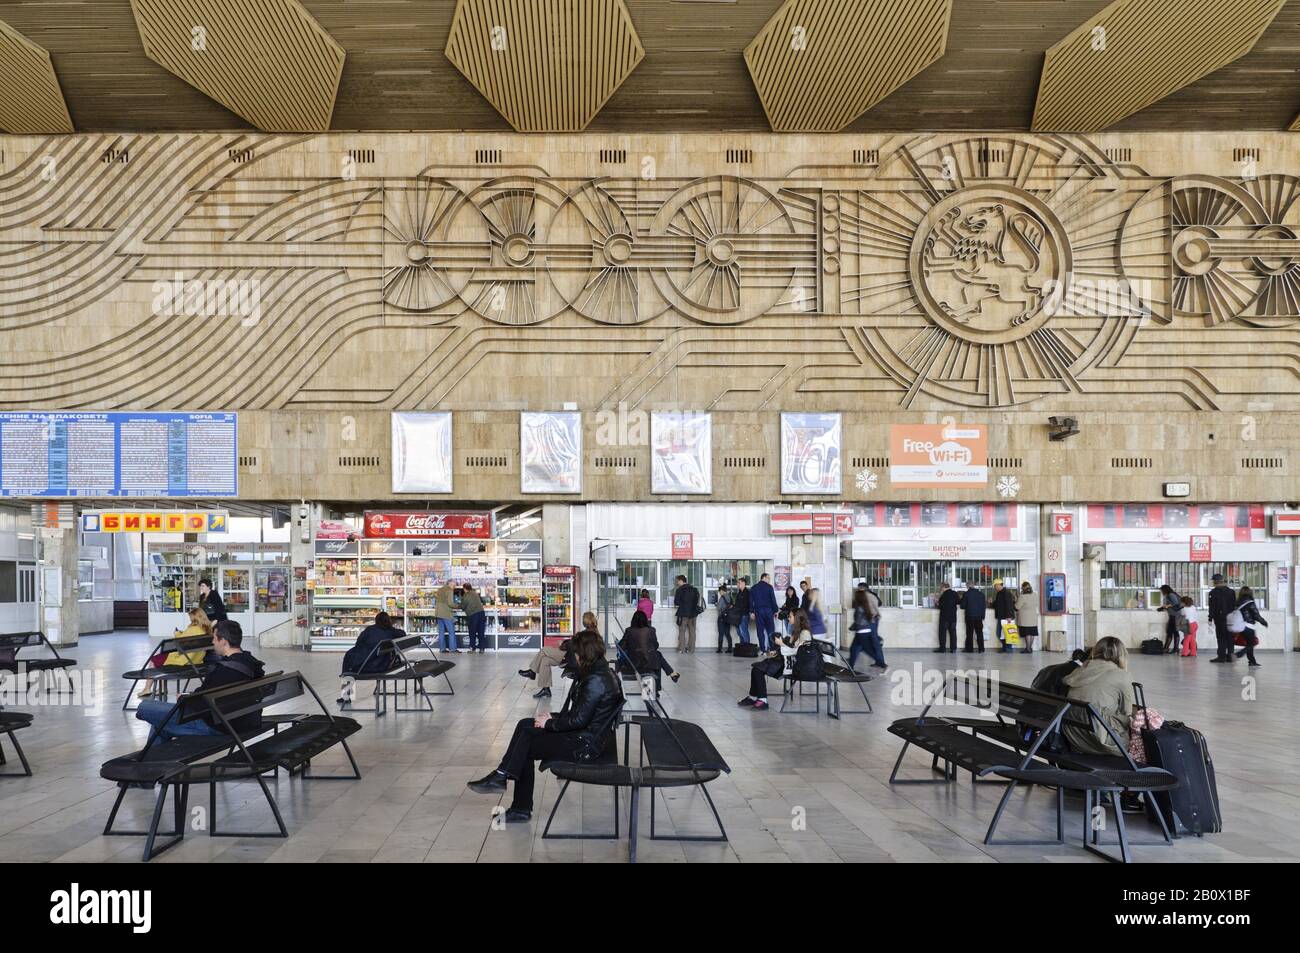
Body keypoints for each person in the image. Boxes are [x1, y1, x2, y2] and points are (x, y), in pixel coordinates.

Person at [467, 629, 623, 822]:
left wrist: (550, 723)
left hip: (584, 744)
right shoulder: (600, 672)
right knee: (525, 724)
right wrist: (552, 718)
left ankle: (517, 802)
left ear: (582, 654)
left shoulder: (595, 680)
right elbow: (582, 715)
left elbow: (578, 720)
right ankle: (501, 776)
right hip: (588, 735)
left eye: (573, 653)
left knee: (525, 747)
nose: (571, 657)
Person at [135, 620, 264, 743]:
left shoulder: (224, 670)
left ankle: (148, 762)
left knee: (145, 708)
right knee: (161, 723)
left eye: (214, 638)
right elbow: (208, 694)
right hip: (242, 720)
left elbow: (200, 703)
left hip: (217, 726)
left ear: (223, 641)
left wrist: (184, 699)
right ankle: (153, 762)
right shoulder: (251, 663)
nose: (213, 642)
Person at [1061, 637, 1134, 756]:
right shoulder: (1122, 676)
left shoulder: (1079, 671)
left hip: (1072, 736)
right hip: (1101, 741)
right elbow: (1127, 712)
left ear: (1095, 651)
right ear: (1122, 655)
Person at [738, 609, 813, 711]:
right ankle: (753, 697)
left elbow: (799, 652)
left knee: (758, 669)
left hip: (794, 665)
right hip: (786, 660)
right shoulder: (795, 631)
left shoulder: (805, 633)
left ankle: (763, 700)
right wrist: (777, 651)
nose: (788, 618)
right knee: (756, 668)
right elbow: (790, 647)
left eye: (790, 616)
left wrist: (781, 644)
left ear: (797, 618)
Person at [519, 611, 598, 699]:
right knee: (545, 660)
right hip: (572, 656)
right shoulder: (593, 633)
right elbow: (575, 644)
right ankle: (546, 689)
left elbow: (572, 645)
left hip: (570, 657)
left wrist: (562, 643)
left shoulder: (585, 634)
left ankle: (532, 672)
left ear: (584, 621)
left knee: (544, 650)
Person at [137, 607, 213, 698]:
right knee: (161, 659)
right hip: (197, 661)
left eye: (191, 618)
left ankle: (147, 688)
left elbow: (180, 641)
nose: (190, 620)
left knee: (155, 660)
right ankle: (161, 689)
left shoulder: (193, 629)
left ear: (195, 618)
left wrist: (176, 633)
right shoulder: (207, 630)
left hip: (185, 661)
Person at [339, 610, 403, 705]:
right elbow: (403, 634)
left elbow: (358, 644)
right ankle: (346, 694)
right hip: (383, 665)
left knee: (349, 664)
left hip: (367, 667)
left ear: (376, 621)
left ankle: (346, 696)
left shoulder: (369, 630)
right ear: (389, 621)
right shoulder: (392, 631)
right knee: (351, 661)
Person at [618, 610, 679, 685]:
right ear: (645, 620)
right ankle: (660, 686)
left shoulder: (629, 630)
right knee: (656, 656)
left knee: (656, 656)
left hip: (633, 662)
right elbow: (655, 646)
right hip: (649, 662)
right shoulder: (651, 630)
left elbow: (621, 646)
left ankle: (672, 673)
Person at [848, 585, 885, 672]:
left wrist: (873, 617)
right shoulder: (866, 597)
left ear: (863, 589)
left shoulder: (868, 597)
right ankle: (851, 666)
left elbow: (876, 606)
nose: (858, 590)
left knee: (871, 645)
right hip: (869, 622)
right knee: (859, 647)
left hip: (870, 622)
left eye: (859, 588)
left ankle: (882, 663)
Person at [1233, 586, 1267, 667]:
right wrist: (1263, 622)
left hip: (1239, 626)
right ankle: (1238, 655)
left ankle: (1252, 661)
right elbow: (1256, 614)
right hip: (1248, 626)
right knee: (1251, 643)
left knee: (1249, 643)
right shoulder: (1250, 602)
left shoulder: (1237, 602)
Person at [1208, 572, 1237, 663]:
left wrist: (1210, 618)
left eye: (1213, 581)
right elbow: (1234, 605)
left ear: (1216, 582)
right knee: (1230, 637)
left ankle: (1221, 657)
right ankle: (1230, 656)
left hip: (1219, 618)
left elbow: (1212, 606)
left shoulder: (1213, 592)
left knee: (1221, 637)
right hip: (1231, 618)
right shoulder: (1231, 592)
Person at [749, 573, 779, 653]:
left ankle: (762, 649)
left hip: (758, 611)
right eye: (768, 578)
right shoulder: (769, 587)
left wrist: (752, 612)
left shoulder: (754, 588)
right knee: (771, 630)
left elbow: (751, 601)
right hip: (768, 610)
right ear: (764, 578)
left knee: (760, 630)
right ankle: (772, 649)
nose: (769, 580)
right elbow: (773, 600)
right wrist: (776, 611)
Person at [673, 575, 702, 653]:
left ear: (681, 581)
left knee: (682, 631)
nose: (677, 583)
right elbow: (697, 601)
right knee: (692, 632)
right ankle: (691, 649)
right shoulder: (694, 589)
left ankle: (681, 649)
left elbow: (676, 602)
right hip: (693, 614)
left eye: (678, 581)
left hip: (683, 614)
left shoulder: (679, 590)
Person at [960, 583, 986, 653]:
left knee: (969, 633)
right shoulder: (981, 594)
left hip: (970, 616)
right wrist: (983, 616)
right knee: (980, 633)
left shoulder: (966, 594)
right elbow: (984, 607)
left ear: (968, 586)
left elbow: (962, 606)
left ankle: (969, 649)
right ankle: (981, 649)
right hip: (979, 617)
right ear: (974, 586)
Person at [992, 579, 1017, 653]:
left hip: (1006, 617)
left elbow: (1009, 605)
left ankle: (1008, 649)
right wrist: (991, 603)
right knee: (1000, 633)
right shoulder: (999, 593)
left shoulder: (1006, 593)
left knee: (1007, 633)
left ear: (999, 585)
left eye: (995, 585)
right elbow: (997, 604)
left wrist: (1009, 616)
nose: (994, 587)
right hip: (1001, 616)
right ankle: (1005, 647)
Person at [1156, 584, 1182, 654]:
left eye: (1162, 590)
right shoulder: (1168, 595)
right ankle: (1169, 648)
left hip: (1175, 616)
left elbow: (1175, 603)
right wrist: (1163, 608)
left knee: (1172, 631)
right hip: (1172, 615)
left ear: (1165, 590)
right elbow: (1170, 604)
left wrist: (1166, 606)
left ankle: (1172, 648)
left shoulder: (1171, 594)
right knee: (1171, 631)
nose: (1161, 592)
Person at [462, 584, 488, 653]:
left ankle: (472, 648)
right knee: (481, 631)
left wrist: (457, 606)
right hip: (481, 613)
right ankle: (482, 648)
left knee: (472, 632)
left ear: (464, 589)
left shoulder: (466, 595)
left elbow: (463, 606)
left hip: (473, 615)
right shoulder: (475, 593)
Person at [433, 581, 458, 653]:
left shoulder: (440, 589)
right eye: (454, 585)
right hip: (446, 613)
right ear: (450, 584)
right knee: (451, 631)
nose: (454, 587)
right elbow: (450, 604)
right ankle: (453, 649)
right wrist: (458, 605)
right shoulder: (449, 590)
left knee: (441, 632)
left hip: (438, 613)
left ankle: (442, 649)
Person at [934, 582, 959, 653]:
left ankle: (942, 649)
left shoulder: (943, 595)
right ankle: (953, 649)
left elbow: (941, 606)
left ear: (943, 587)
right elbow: (958, 602)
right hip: (953, 617)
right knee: (953, 633)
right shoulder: (955, 593)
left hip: (944, 617)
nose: (940, 589)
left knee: (942, 633)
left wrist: (936, 602)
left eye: (941, 587)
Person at [1015, 581, 1039, 654]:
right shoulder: (1035, 595)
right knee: (1032, 633)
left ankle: (1027, 649)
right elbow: (1036, 604)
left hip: (1025, 618)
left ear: (1023, 588)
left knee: (1027, 633)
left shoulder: (1023, 596)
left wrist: (1016, 598)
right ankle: (1030, 648)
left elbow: (1017, 607)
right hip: (1033, 617)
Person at [715, 583, 734, 654]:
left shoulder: (722, 597)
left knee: (721, 633)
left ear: (722, 591)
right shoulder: (730, 597)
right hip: (728, 617)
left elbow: (719, 608)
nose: (720, 593)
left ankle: (719, 649)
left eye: (720, 592)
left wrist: (717, 604)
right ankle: (730, 648)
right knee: (727, 633)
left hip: (721, 618)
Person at [733, 577, 752, 646]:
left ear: (744, 583)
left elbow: (747, 605)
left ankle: (746, 646)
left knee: (743, 631)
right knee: (739, 632)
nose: (738, 584)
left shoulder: (747, 593)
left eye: (739, 583)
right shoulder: (739, 593)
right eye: (737, 583)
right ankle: (742, 646)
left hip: (744, 615)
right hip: (738, 615)